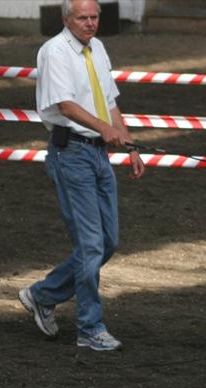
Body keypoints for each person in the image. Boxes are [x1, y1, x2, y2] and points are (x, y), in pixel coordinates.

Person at [19, 0, 145, 351]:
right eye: (83, 18)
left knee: (108, 243)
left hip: (98, 154)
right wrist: (106, 129)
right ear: (66, 19)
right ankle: (90, 328)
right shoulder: (54, 52)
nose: (90, 24)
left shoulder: (98, 49)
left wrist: (130, 144)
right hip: (70, 153)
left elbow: (110, 100)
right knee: (90, 245)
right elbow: (65, 105)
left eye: (94, 17)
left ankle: (42, 295)